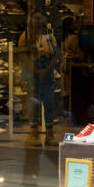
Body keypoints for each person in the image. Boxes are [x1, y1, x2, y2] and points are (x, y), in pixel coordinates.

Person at [19, 12, 60, 142]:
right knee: (34, 103)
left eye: (39, 19)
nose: (37, 22)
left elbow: (56, 56)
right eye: (35, 19)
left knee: (49, 102)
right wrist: (33, 70)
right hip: (33, 72)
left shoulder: (50, 37)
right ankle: (34, 132)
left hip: (46, 73)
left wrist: (46, 70)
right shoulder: (25, 36)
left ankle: (49, 133)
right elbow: (22, 57)